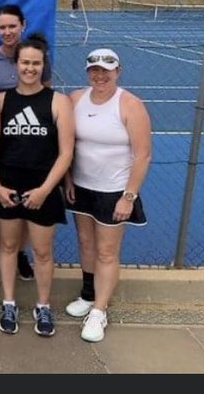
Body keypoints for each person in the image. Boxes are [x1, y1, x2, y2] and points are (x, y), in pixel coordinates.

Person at [0, 34, 75, 338]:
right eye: (25, 62)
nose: (30, 68)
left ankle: (43, 305)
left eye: (36, 63)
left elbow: (66, 153)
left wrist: (45, 190)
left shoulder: (58, 102)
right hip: (8, 186)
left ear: (43, 65)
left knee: (42, 251)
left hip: (43, 188)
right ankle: (9, 303)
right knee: (9, 246)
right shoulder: (0, 101)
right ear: (17, 64)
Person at [65, 48, 152, 343]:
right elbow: (67, 145)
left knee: (106, 251)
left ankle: (100, 311)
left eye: (106, 70)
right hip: (81, 187)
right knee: (86, 243)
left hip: (114, 191)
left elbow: (143, 155)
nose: (100, 75)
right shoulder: (75, 100)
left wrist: (128, 196)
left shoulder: (130, 105)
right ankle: (89, 295)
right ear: (88, 72)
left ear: (118, 71)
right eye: (95, 70)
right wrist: (68, 179)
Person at [0, 4, 53, 283]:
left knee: (24, 199)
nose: (7, 32)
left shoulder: (38, 57)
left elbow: (46, 93)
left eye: (12, 26)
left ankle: (19, 253)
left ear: (23, 25)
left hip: (30, 138)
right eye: (2, 27)